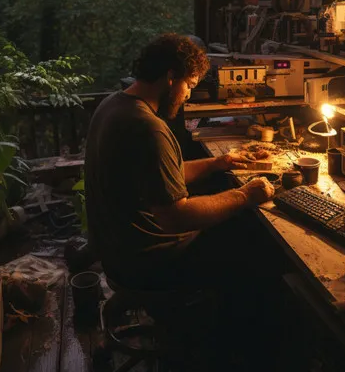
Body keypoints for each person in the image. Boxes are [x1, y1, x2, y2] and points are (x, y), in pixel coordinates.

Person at [85, 33, 275, 290]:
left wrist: (218, 162)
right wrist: (244, 195)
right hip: (151, 261)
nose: (188, 95)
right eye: (189, 85)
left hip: (118, 252)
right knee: (255, 237)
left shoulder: (113, 104)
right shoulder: (147, 128)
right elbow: (176, 218)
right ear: (171, 77)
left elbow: (159, 177)